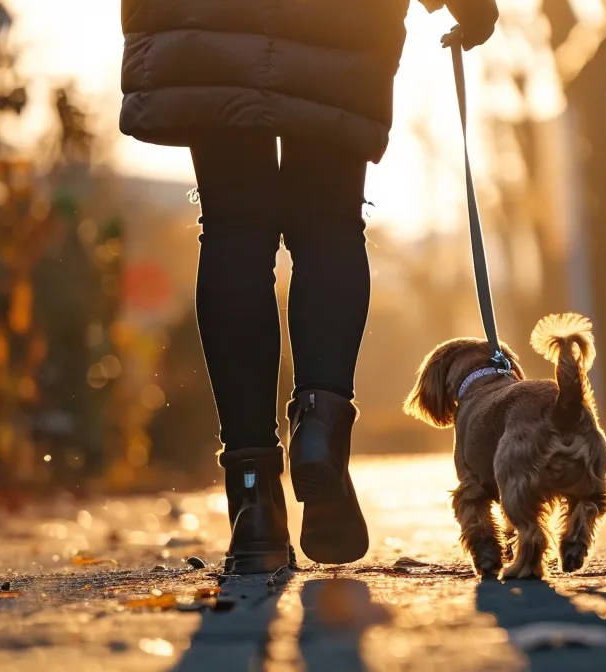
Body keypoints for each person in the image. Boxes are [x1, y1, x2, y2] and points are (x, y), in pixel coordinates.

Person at [119, 0, 499, 574]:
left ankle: (252, 503)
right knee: (328, 223)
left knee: (233, 230)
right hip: (340, 19)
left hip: (207, 20)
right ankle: (320, 428)